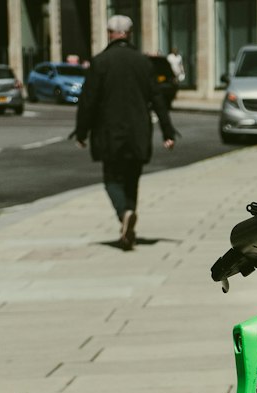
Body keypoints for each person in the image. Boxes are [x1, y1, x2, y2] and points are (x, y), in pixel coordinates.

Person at [73, 14, 176, 251]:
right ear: (130, 34)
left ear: (110, 33)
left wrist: (81, 132)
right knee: (132, 179)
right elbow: (157, 99)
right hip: (138, 132)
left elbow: (88, 102)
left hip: (109, 133)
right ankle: (129, 221)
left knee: (111, 178)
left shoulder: (100, 62)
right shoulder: (143, 62)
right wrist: (168, 132)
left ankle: (123, 214)